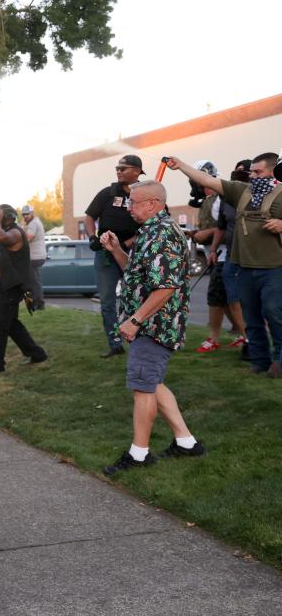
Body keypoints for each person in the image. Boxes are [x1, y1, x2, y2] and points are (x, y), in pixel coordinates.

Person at [99, 181, 205, 474]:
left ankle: (139, 454)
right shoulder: (149, 231)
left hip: (155, 325)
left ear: (153, 204)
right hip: (148, 322)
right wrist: (117, 250)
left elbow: (165, 287)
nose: (129, 208)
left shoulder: (162, 234)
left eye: (134, 203)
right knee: (153, 383)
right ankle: (187, 443)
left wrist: (135, 320)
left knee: (142, 387)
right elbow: (137, 274)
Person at [166, 153, 282, 378]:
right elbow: (207, 180)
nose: (253, 176)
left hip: (274, 267)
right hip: (244, 266)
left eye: (258, 172)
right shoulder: (241, 190)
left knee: (275, 313)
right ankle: (259, 360)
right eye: (252, 172)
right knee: (251, 316)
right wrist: (180, 165)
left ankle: (280, 360)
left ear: (271, 172)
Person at [84, 155, 143, 358]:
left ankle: (141, 339)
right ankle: (115, 343)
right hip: (106, 255)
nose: (118, 171)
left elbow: (152, 223)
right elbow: (89, 216)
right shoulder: (107, 193)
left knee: (137, 298)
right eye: (117, 168)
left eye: (123, 168)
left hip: (134, 254)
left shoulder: (145, 193)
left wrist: (127, 243)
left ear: (137, 171)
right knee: (107, 301)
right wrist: (93, 236)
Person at [0, 205, 47, 375]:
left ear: (6, 218)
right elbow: (4, 254)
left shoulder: (15, 233)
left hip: (11, 287)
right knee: (11, 325)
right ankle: (37, 354)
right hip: (7, 285)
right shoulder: (9, 231)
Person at [189, 162, 246, 354]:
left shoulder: (221, 199)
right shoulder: (211, 200)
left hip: (226, 255)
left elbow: (221, 228)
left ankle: (218, 337)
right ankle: (242, 334)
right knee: (225, 299)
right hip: (217, 254)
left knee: (218, 297)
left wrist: (203, 236)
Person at [22, 205, 47, 310]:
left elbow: (28, 238)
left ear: (32, 213)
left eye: (27, 214)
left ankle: (39, 304)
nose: (25, 216)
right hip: (37, 256)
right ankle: (34, 303)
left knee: (34, 282)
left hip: (34, 257)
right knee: (33, 281)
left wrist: (22, 227)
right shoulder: (36, 222)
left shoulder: (33, 224)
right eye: (23, 214)